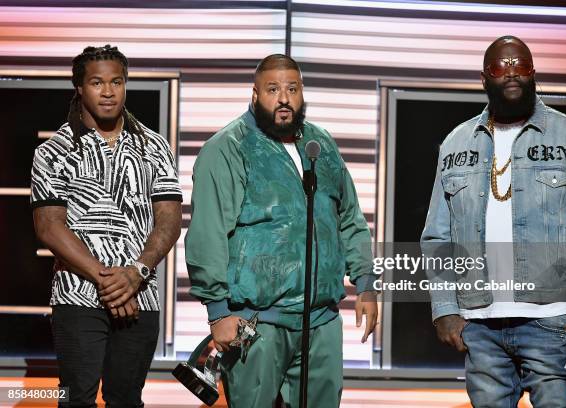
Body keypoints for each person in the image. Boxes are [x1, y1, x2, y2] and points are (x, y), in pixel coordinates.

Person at [421, 36, 566, 407]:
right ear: (484, 77)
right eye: (500, 67)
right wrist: (444, 307)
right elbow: (438, 236)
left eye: (521, 66)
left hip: (552, 320)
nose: (512, 74)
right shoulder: (456, 143)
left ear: (533, 74)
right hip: (480, 321)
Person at [185, 54, 378, 408]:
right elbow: (208, 233)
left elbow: (349, 217)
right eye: (273, 89)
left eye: (292, 88)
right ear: (256, 94)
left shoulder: (321, 145)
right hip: (258, 322)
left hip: (321, 319)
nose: (284, 98)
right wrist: (217, 310)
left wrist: (365, 284)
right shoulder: (228, 147)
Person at [31, 45, 182, 407]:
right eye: (97, 82)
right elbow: (49, 227)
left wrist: (136, 273)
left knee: (126, 399)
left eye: (117, 81)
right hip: (77, 295)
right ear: (79, 87)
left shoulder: (154, 147)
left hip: (141, 295)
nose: (109, 91)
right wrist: (109, 281)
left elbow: (169, 220)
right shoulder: (53, 152)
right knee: (76, 398)